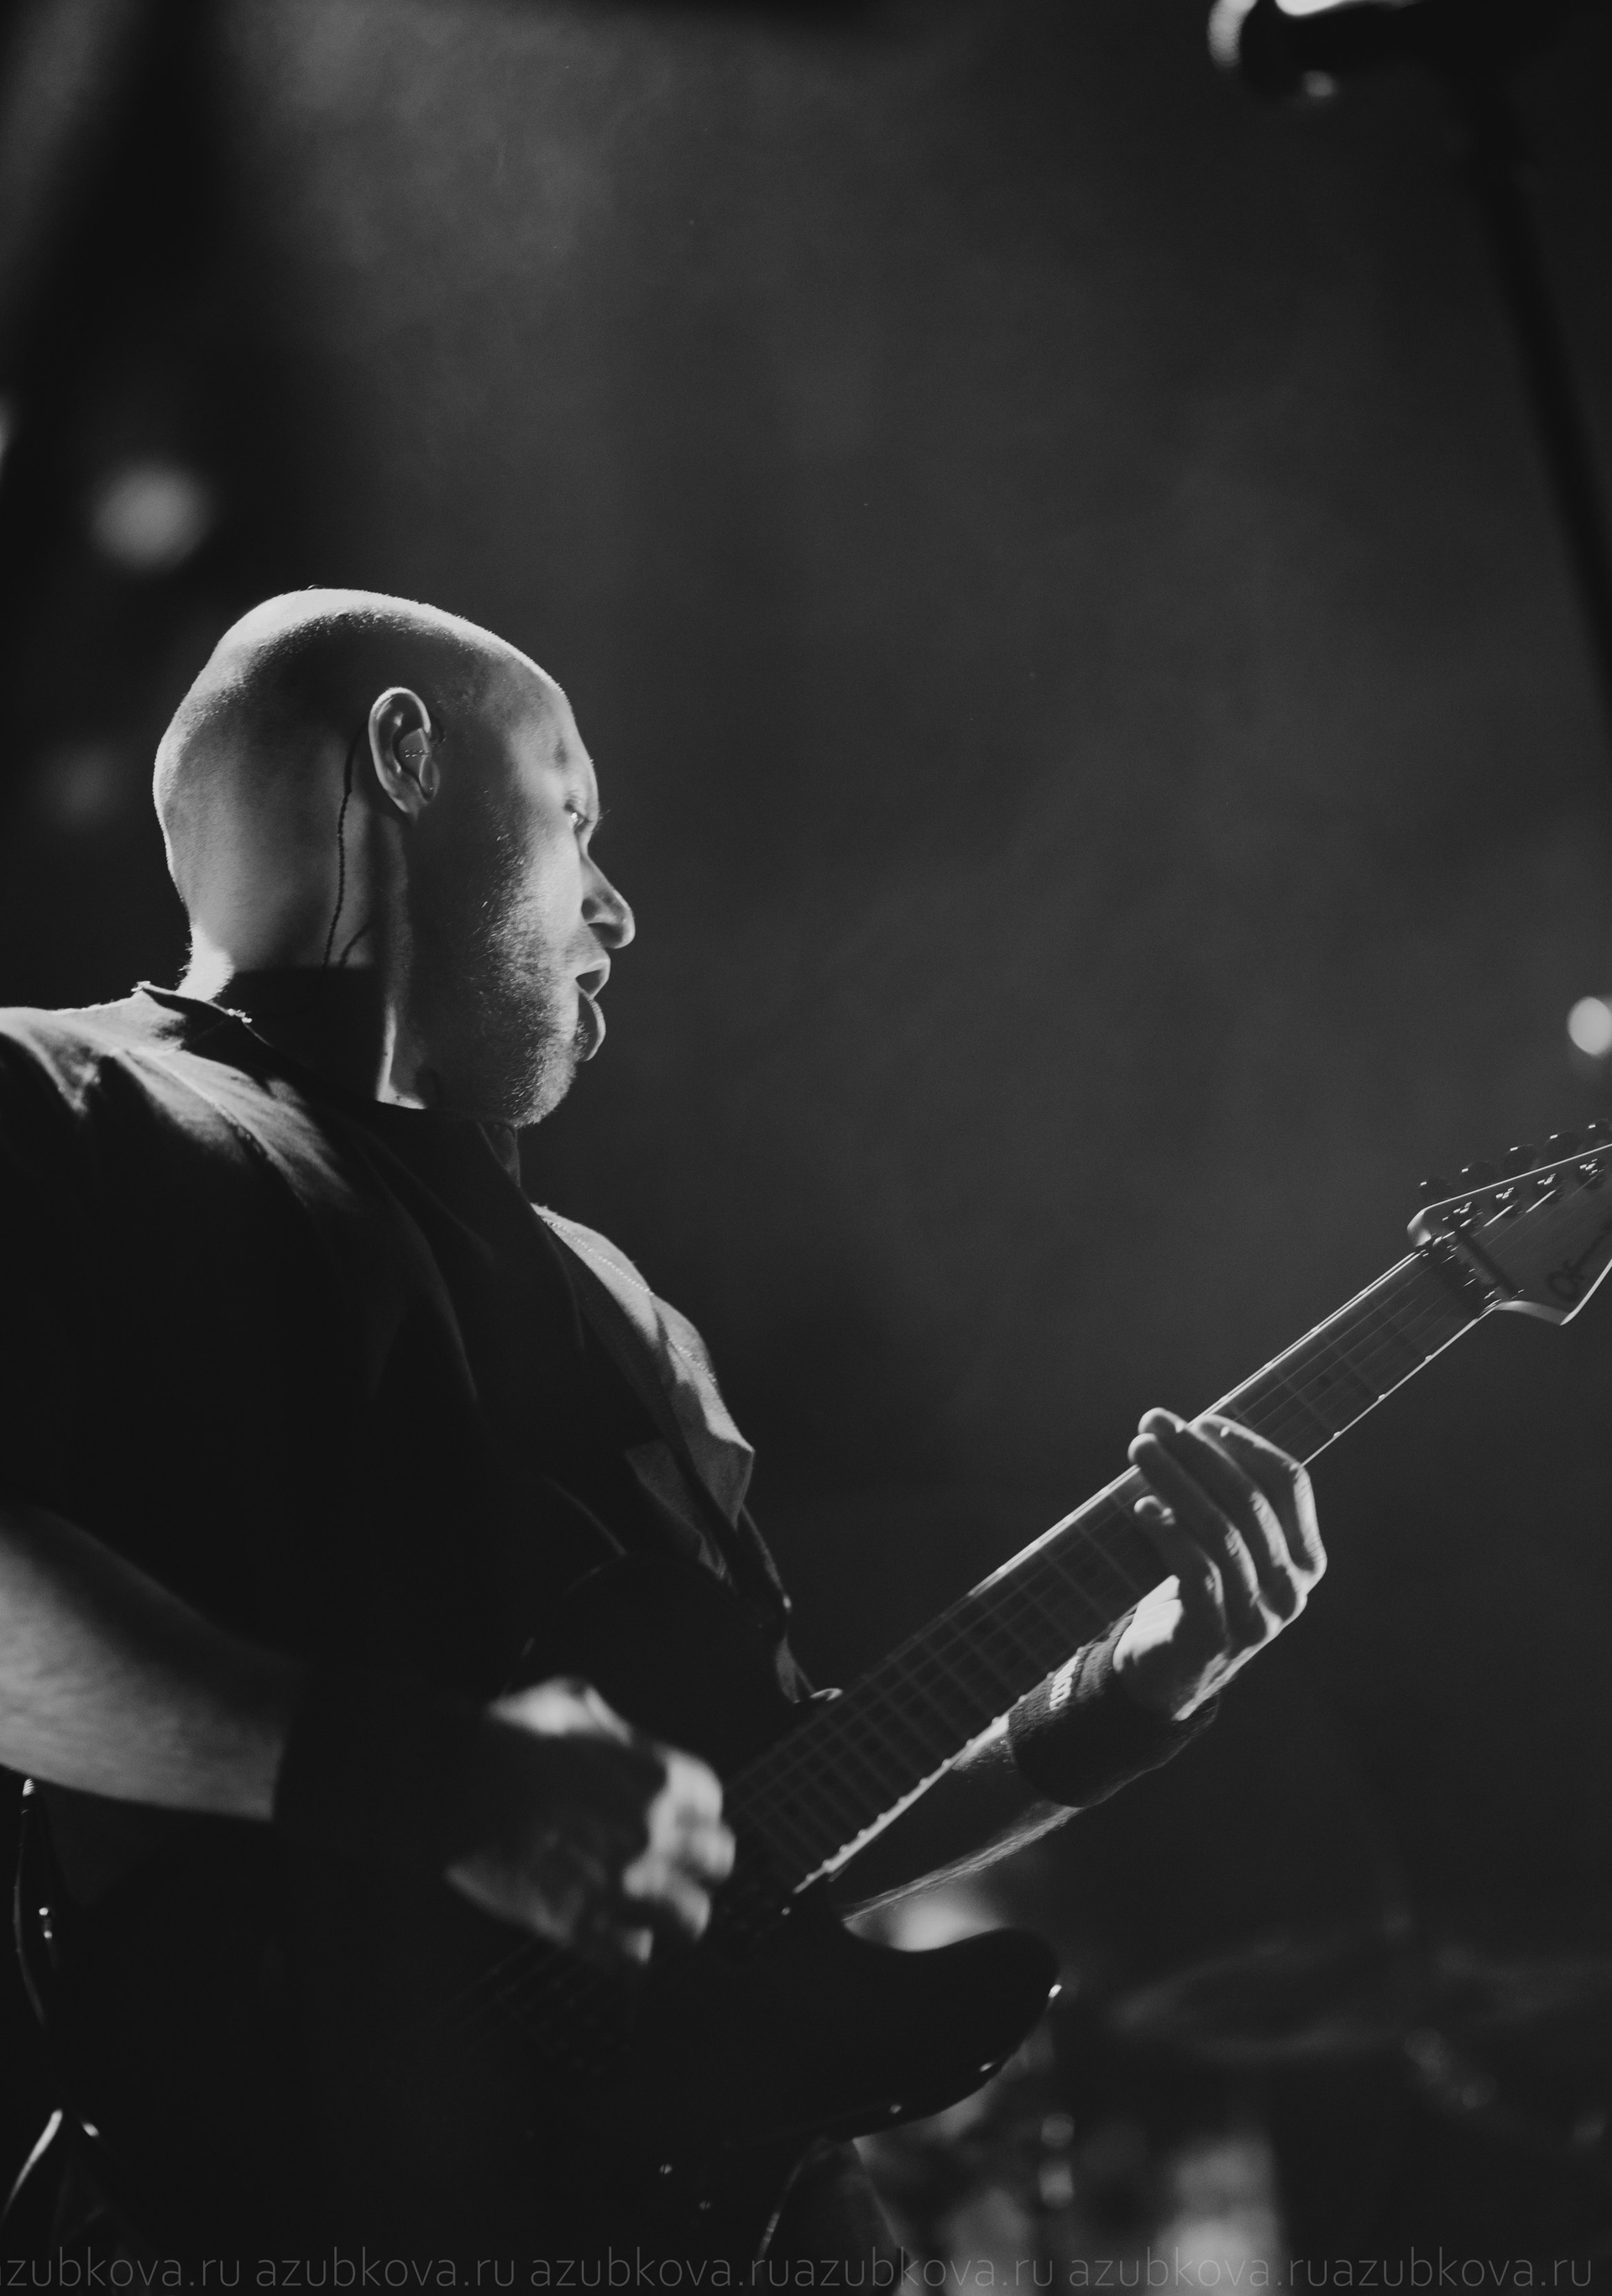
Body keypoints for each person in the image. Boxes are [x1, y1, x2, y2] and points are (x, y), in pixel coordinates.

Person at [0, 590, 1326, 2265]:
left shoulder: (620, 1309)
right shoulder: (59, 1102)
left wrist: (1122, 1700)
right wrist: (433, 1785)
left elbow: (755, 1836)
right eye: (574, 815)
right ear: (404, 755)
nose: (616, 909)